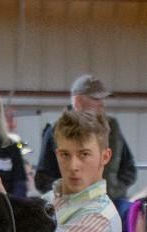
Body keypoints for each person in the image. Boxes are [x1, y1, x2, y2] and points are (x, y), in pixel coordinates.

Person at [35, 75, 137, 216]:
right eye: (96, 99)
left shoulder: (112, 129)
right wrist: (69, 194)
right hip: (69, 213)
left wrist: (112, 190)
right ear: (77, 101)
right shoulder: (56, 131)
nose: (102, 104)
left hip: (110, 208)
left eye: (102, 99)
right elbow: (42, 178)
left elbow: (129, 169)